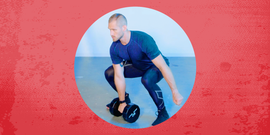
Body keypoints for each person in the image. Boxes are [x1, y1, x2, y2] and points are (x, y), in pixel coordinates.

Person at [104, 13, 183, 126]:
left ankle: (163, 113)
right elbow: (118, 75)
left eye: (114, 30)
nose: (111, 34)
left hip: (155, 67)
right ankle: (126, 99)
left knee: (147, 80)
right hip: (139, 66)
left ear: (124, 28)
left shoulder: (143, 40)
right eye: (109, 30)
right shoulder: (115, 47)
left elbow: (163, 66)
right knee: (110, 73)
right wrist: (122, 101)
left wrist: (175, 91)